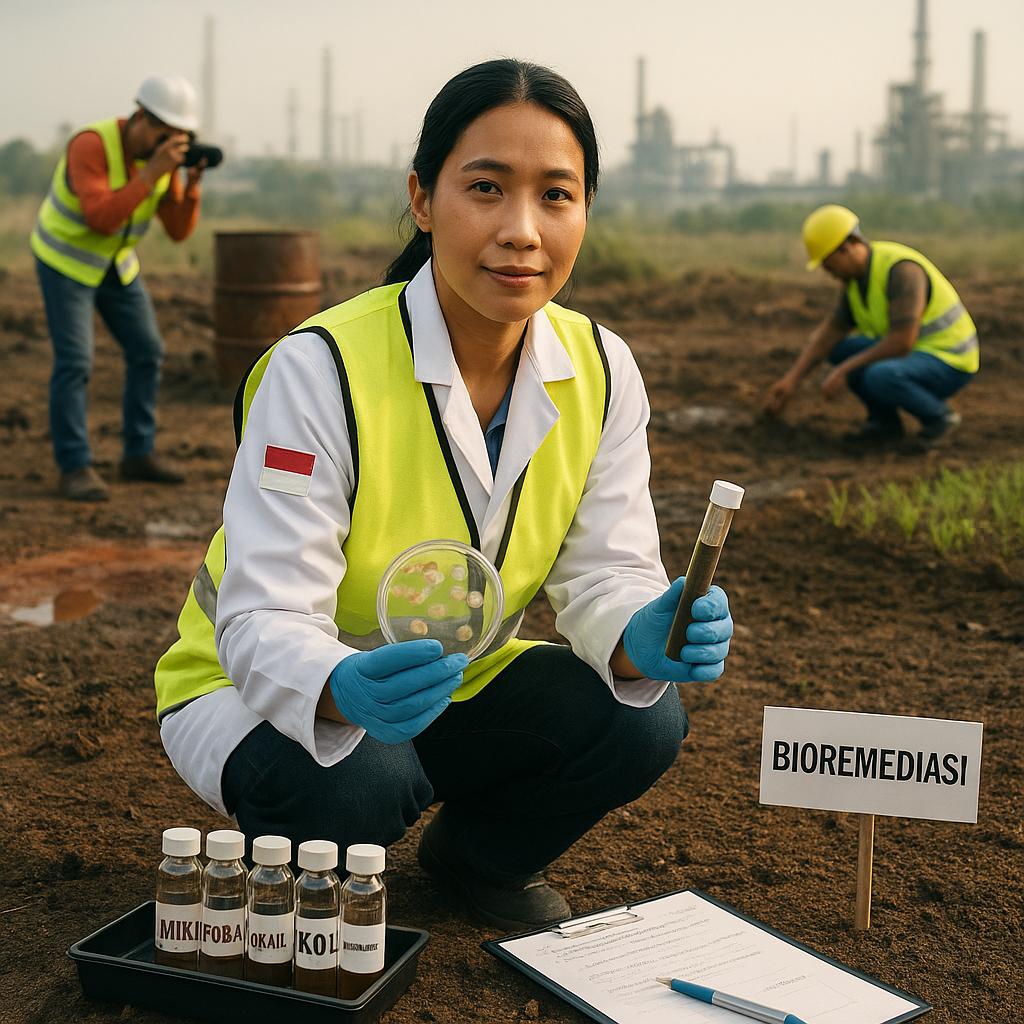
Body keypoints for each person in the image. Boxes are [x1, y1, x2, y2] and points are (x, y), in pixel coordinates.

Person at [153, 59, 734, 932]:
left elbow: (607, 571)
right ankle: (330, 827)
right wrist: (336, 682)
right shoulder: (320, 368)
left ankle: (481, 857)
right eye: (486, 188)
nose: (522, 231)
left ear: (586, 210)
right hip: (256, 681)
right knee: (361, 786)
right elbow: (262, 613)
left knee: (641, 723)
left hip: (451, 681)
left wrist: (635, 633)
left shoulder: (603, 369)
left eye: (556, 195)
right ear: (423, 199)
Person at [31, 75, 206, 501]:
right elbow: (101, 219)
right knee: (76, 362)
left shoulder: (162, 160)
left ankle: (138, 453)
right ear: (142, 117)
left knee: (148, 351)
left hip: (115, 263)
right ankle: (74, 465)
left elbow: (178, 231)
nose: (171, 144)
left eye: (180, 136)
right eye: (166, 133)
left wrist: (191, 186)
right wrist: (152, 173)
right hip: (66, 261)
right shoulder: (91, 145)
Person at [764, 205, 978, 449]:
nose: (828, 272)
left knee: (879, 375)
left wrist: (844, 370)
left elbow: (902, 342)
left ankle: (940, 418)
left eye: (829, 263)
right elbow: (830, 333)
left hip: (951, 360)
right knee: (841, 349)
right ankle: (884, 424)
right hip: (918, 352)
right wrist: (791, 380)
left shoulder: (902, 271)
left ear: (850, 245)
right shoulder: (856, 281)